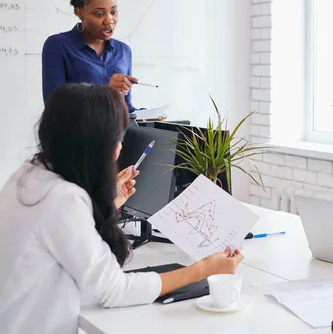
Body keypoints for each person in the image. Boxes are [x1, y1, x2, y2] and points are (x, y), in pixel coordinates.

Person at [0, 84, 243, 333]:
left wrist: (110, 203)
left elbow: (64, 237)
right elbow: (112, 290)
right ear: (98, 145)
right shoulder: (63, 199)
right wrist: (203, 270)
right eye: (119, 137)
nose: (120, 147)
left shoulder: (29, 174)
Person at [42, 0, 141, 114]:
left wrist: (148, 117)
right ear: (79, 13)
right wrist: (106, 92)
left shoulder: (123, 51)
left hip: (115, 135)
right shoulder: (58, 46)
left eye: (113, 12)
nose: (109, 20)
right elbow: (53, 106)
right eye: (99, 14)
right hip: (76, 134)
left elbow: (126, 108)